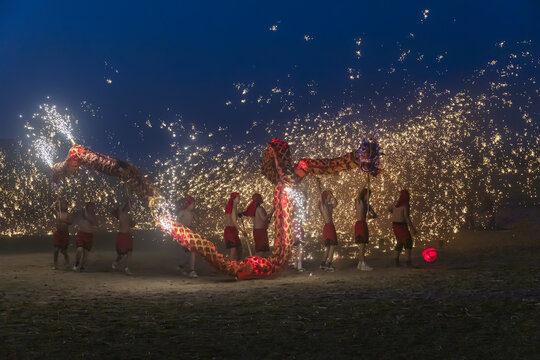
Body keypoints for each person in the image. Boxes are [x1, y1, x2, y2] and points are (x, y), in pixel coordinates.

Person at [389, 189, 417, 267]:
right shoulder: (405, 205)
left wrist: (394, 213)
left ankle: (396, 261)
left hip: (395, 225)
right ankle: (408, 262)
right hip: (401, 226)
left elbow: (389, 209)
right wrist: (412, 228)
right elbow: (406, 217)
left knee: (400, 242)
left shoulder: (395, 204)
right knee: (408, 242)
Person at [111, 198, 135, 275]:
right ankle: (115, 262)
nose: (130, 207)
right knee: (121, 254)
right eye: (129, 205)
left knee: (129, 252)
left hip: (128, 236)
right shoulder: (121, 213)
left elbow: (132, 225)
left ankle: (127, 268)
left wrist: (133, 222)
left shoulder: (129, 215)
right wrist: (127, 201)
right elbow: (119, 208)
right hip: (122, 236)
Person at [355, 187, 377, 271]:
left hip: (363, 224)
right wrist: (365, 182)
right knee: (362, 245)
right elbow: (358, 197)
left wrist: (370, 216)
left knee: (363, 245)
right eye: (368, 195)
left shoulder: (367, 205)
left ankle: (360, 264)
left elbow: (375, 215)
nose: (369, 196)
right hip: (360, 224)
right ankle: (362, 263)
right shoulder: (359, 202)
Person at [176, 195, 198, 278]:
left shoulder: (193, 214)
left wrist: (194, 225)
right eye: (192, 204)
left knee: (192, 252)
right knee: (188, 252)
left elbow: (196, 223)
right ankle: (186, 268)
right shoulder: (183, 212)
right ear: (188, 204)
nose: (194, 206)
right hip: (184, 234)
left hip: (191, 234)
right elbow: (177, 222)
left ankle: (187, 268)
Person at [73, 202, 98, 272]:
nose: (91, 208)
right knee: (79, 249)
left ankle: (82, 267)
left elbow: (95, 224)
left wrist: (94, 227)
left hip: (89, 235)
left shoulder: (93, 216)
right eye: (89, 207)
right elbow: (78, 208)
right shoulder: (83, 214)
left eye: (92, 207)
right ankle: (77, 262)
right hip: (81, 234)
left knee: (86, 252)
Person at [318, 189, 338, 272]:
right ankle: (329, 264)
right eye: (329, 197)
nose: (330, 198)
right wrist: (318, 183)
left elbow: (336, 203)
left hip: (330, 226)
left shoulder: (329, 206)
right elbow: (320, 197)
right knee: (332, 245)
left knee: (328, 247)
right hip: (328, 226)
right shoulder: (323, 206)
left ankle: (323, 264)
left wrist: (332, 195)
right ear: (325, 197)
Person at [224, 192, 246, 261]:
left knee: (239, 249)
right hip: (230, 231)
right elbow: (234, 221)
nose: (239, 198)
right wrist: (242, 230)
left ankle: (235, 265)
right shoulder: (233, 208)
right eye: (237, 197)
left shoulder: (233, 208)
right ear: (233, 198)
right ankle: (230, 267)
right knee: (233, 250)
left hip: (233, 231)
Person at [50, 198, 71, 269]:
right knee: (56, 249)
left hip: (65, 234)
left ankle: (67, 262)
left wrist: (63, 220)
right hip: (58, 233)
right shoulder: (58, 213)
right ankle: (55, 264)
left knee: (63, 251)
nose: (63, 205)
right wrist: (56, 201)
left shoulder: (68, 214)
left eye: (64, 204)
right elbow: (51, 207)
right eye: (61, 204)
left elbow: (70, 222)